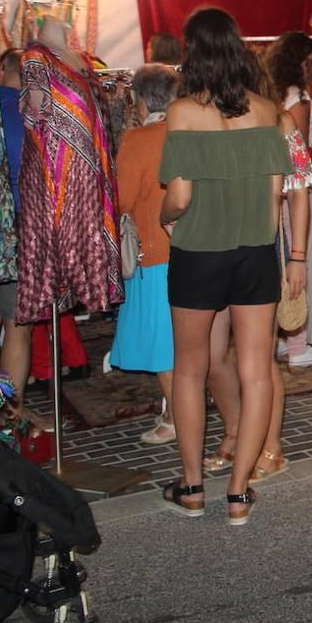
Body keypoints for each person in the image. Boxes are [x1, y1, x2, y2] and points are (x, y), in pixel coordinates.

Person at [158, 8, 308, 525]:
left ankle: (194, 486)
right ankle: (240, 493)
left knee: (190, 368)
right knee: (257, 369)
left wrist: (164, 216)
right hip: (254, 252)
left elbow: (178, 196)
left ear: (191, 52)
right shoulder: (269, 111)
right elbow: (281, 190)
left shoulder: (181, 112)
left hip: (200, 250)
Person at [109, 64, 181, 445]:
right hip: (193, 250)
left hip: (155, 252)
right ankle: (179, 411)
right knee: (184, 341)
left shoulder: (139, 140)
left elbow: (121, 198)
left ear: (140, 99)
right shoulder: (189, 131)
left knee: (163, 345)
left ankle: (176, 419)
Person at [265, 32, 312, 369]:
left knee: (277, 262)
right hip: (294, 190)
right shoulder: (300, 100)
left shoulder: (271, 95)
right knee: (295, 262)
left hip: (269, 193)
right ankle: (297, 345)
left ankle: (279, 339)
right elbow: (300, 152)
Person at [0, 49, 33, 417]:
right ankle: (11, 411)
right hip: (23, 222)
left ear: (1, 70)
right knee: (18, 324)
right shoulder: (34, 116)